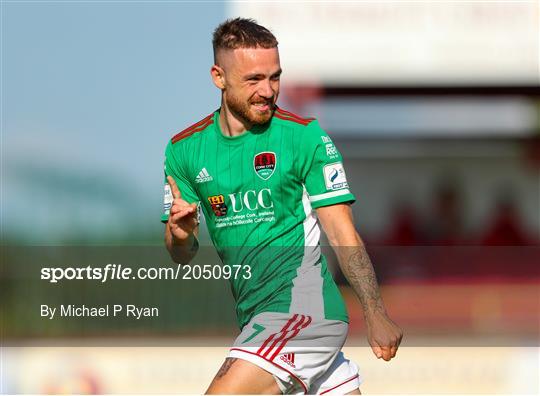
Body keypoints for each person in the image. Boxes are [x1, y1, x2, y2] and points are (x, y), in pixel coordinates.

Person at [162, 18, 402, 395]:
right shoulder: (184, 151)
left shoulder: (304, 137)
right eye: (254, 79)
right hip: (257, 317)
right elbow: (182, 252)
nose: (268, 91)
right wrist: (180, 233)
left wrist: (375, 311)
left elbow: (343, 233)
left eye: (275, 77)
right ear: (218, 77)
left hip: (302, 313)